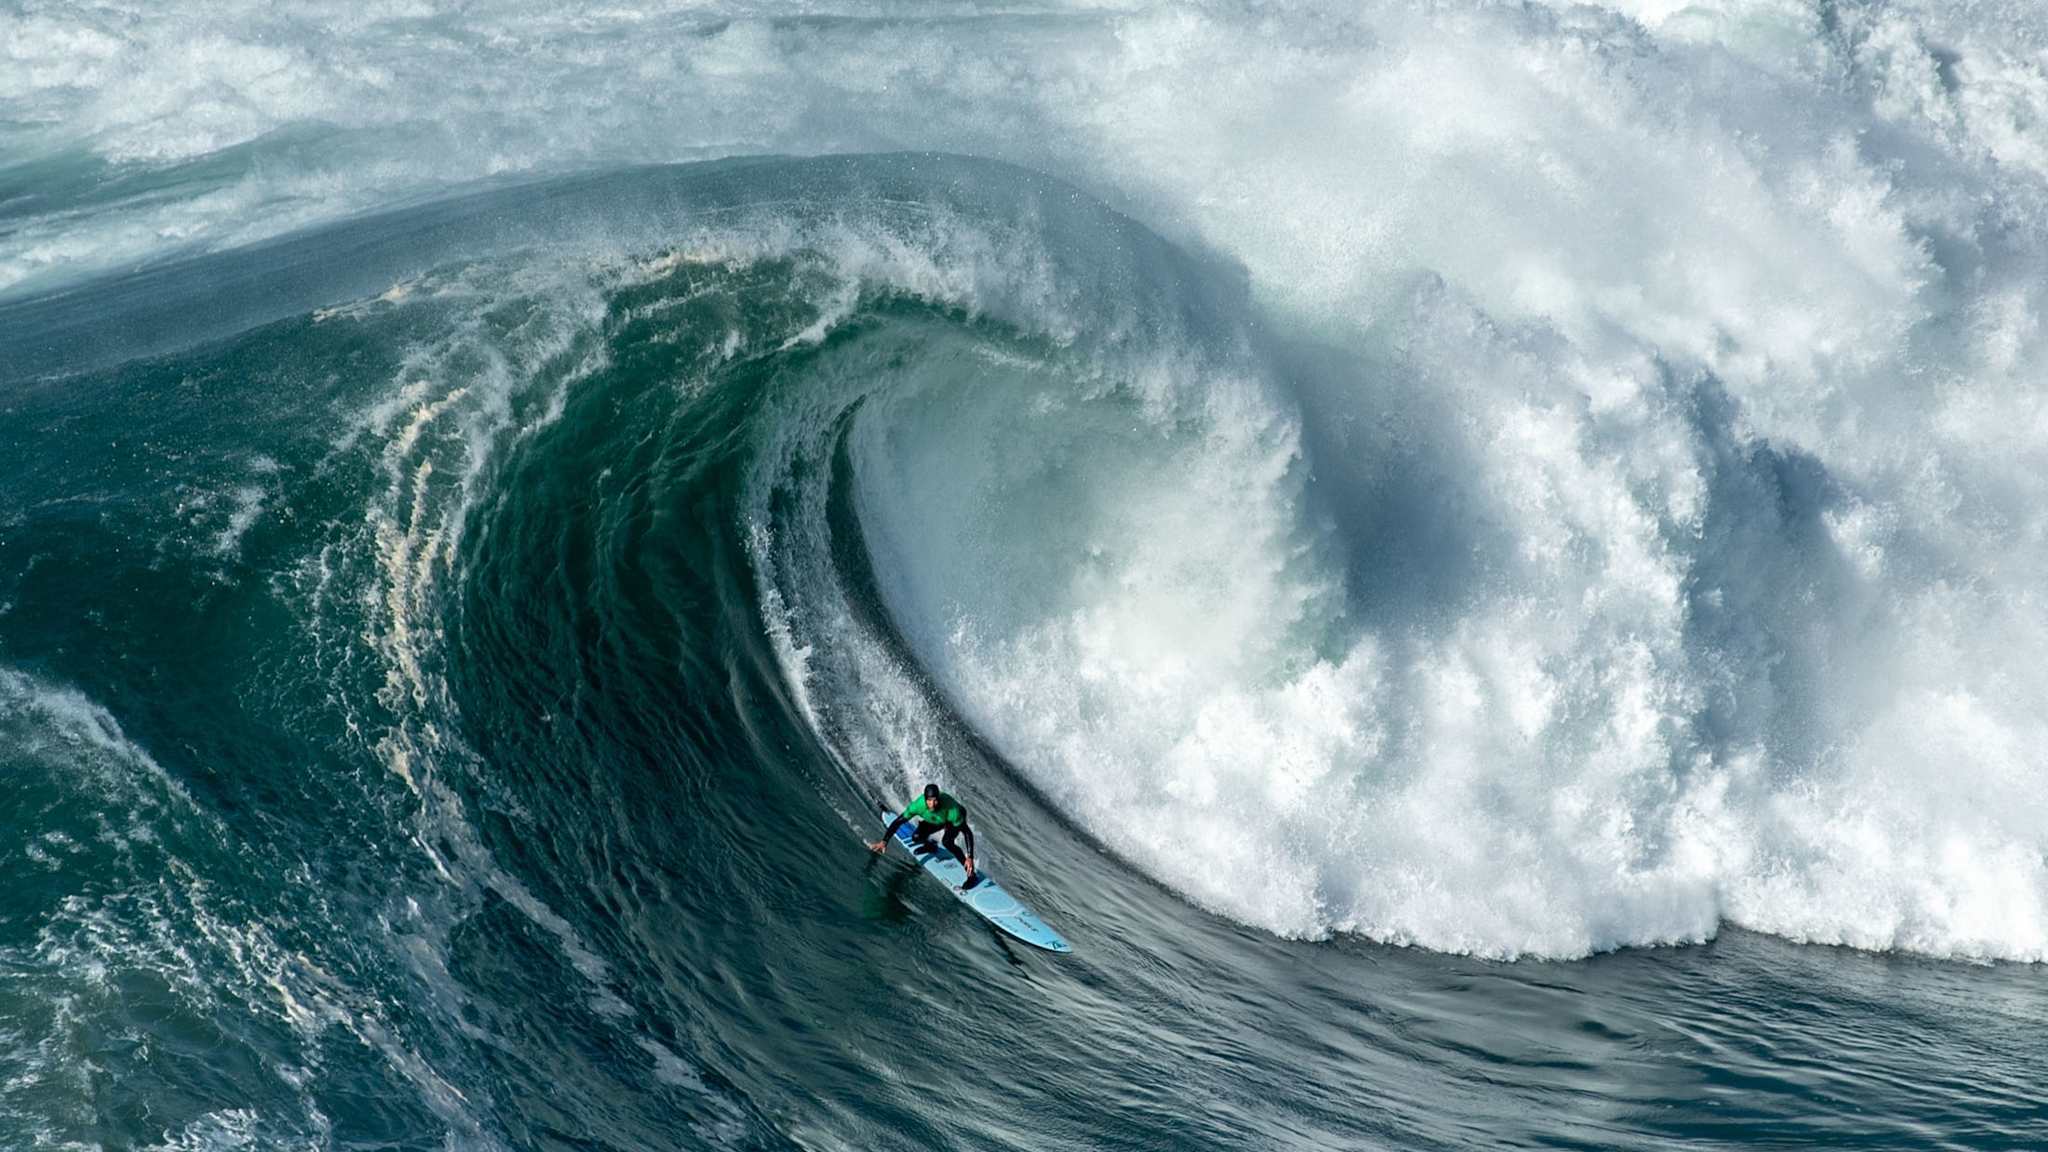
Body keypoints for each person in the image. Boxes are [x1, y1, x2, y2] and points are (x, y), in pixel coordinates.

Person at [870, 782, 977, 886]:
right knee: (916, 837)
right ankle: (930, 846)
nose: (932, 804)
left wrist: (970, 856)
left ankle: (971, 874)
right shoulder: (917, 806)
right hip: (936, 820)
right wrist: (884, 842)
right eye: (929, 800)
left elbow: (967, 832)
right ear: (925, 799)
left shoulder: (953, 810)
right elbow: (899, 822)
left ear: (938, 798)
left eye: (935, 800)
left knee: (947, 842)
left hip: (951, 820)